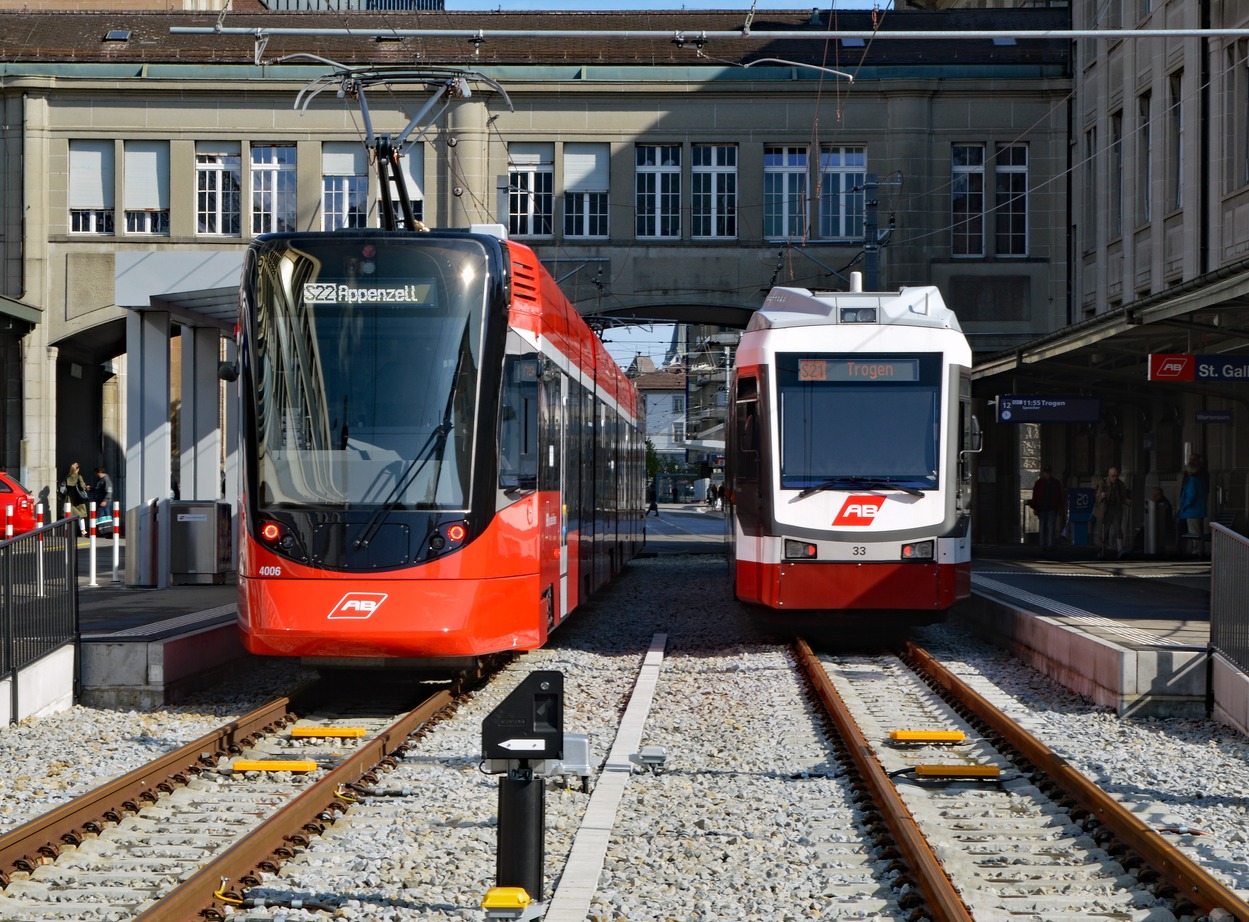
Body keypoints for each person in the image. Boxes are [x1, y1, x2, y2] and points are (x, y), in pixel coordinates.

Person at [1176, 453, 1209, 557]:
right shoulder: (1200, 480)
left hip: (1192, 510)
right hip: (1197, 510)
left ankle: (1196, 552)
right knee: (1195, 531)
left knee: (1194, 532)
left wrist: (1184, 505)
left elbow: (1191, 496)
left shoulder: (1192, 481)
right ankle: (1196, 551)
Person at [1095, 466, 1131, 559]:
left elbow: (1123, 497)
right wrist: (1101, 496)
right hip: (1106, 509)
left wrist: (1127, 501)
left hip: (1116, 508)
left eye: (1116, 476)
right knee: (1104, 531)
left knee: (1118, 529)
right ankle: (1100, 550)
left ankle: (1120, 550)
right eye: (1112, 476)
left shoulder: (1120, 484)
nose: (1114, 478)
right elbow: (1097, 497)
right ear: (1109, 476)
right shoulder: (1103, 483)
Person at [1027, 466, 1064, 552]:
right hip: (1042, 508)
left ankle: (1050, 544)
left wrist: (1059, 508)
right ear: (1043, 473)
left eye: (1049, 473)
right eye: (1046, 473)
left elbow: (1059, 496)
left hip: (1051, 508)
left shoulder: (1055, 483)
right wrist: (1035, 507)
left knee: (1050, 526)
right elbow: (1035, 496)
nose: (1047, 474)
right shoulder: (1039, 483)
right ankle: (1043, 544)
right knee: (1043, 526)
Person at [61, 461, 90, 535]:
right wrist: (86, 487)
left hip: (69, 498)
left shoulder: (67, 477)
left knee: (68, 514)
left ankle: (67, 530)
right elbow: (82, 487)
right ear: (78, 469)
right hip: (78, 498)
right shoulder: (79, 477)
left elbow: (62, 488)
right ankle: (83, 530)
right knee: (81, 515)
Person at [1150, 487, 1175, 557]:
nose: (1151, 496)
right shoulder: (1161, 501)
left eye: (1153, 494)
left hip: (1164, 527)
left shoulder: (1162, 503)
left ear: (1157, 494)